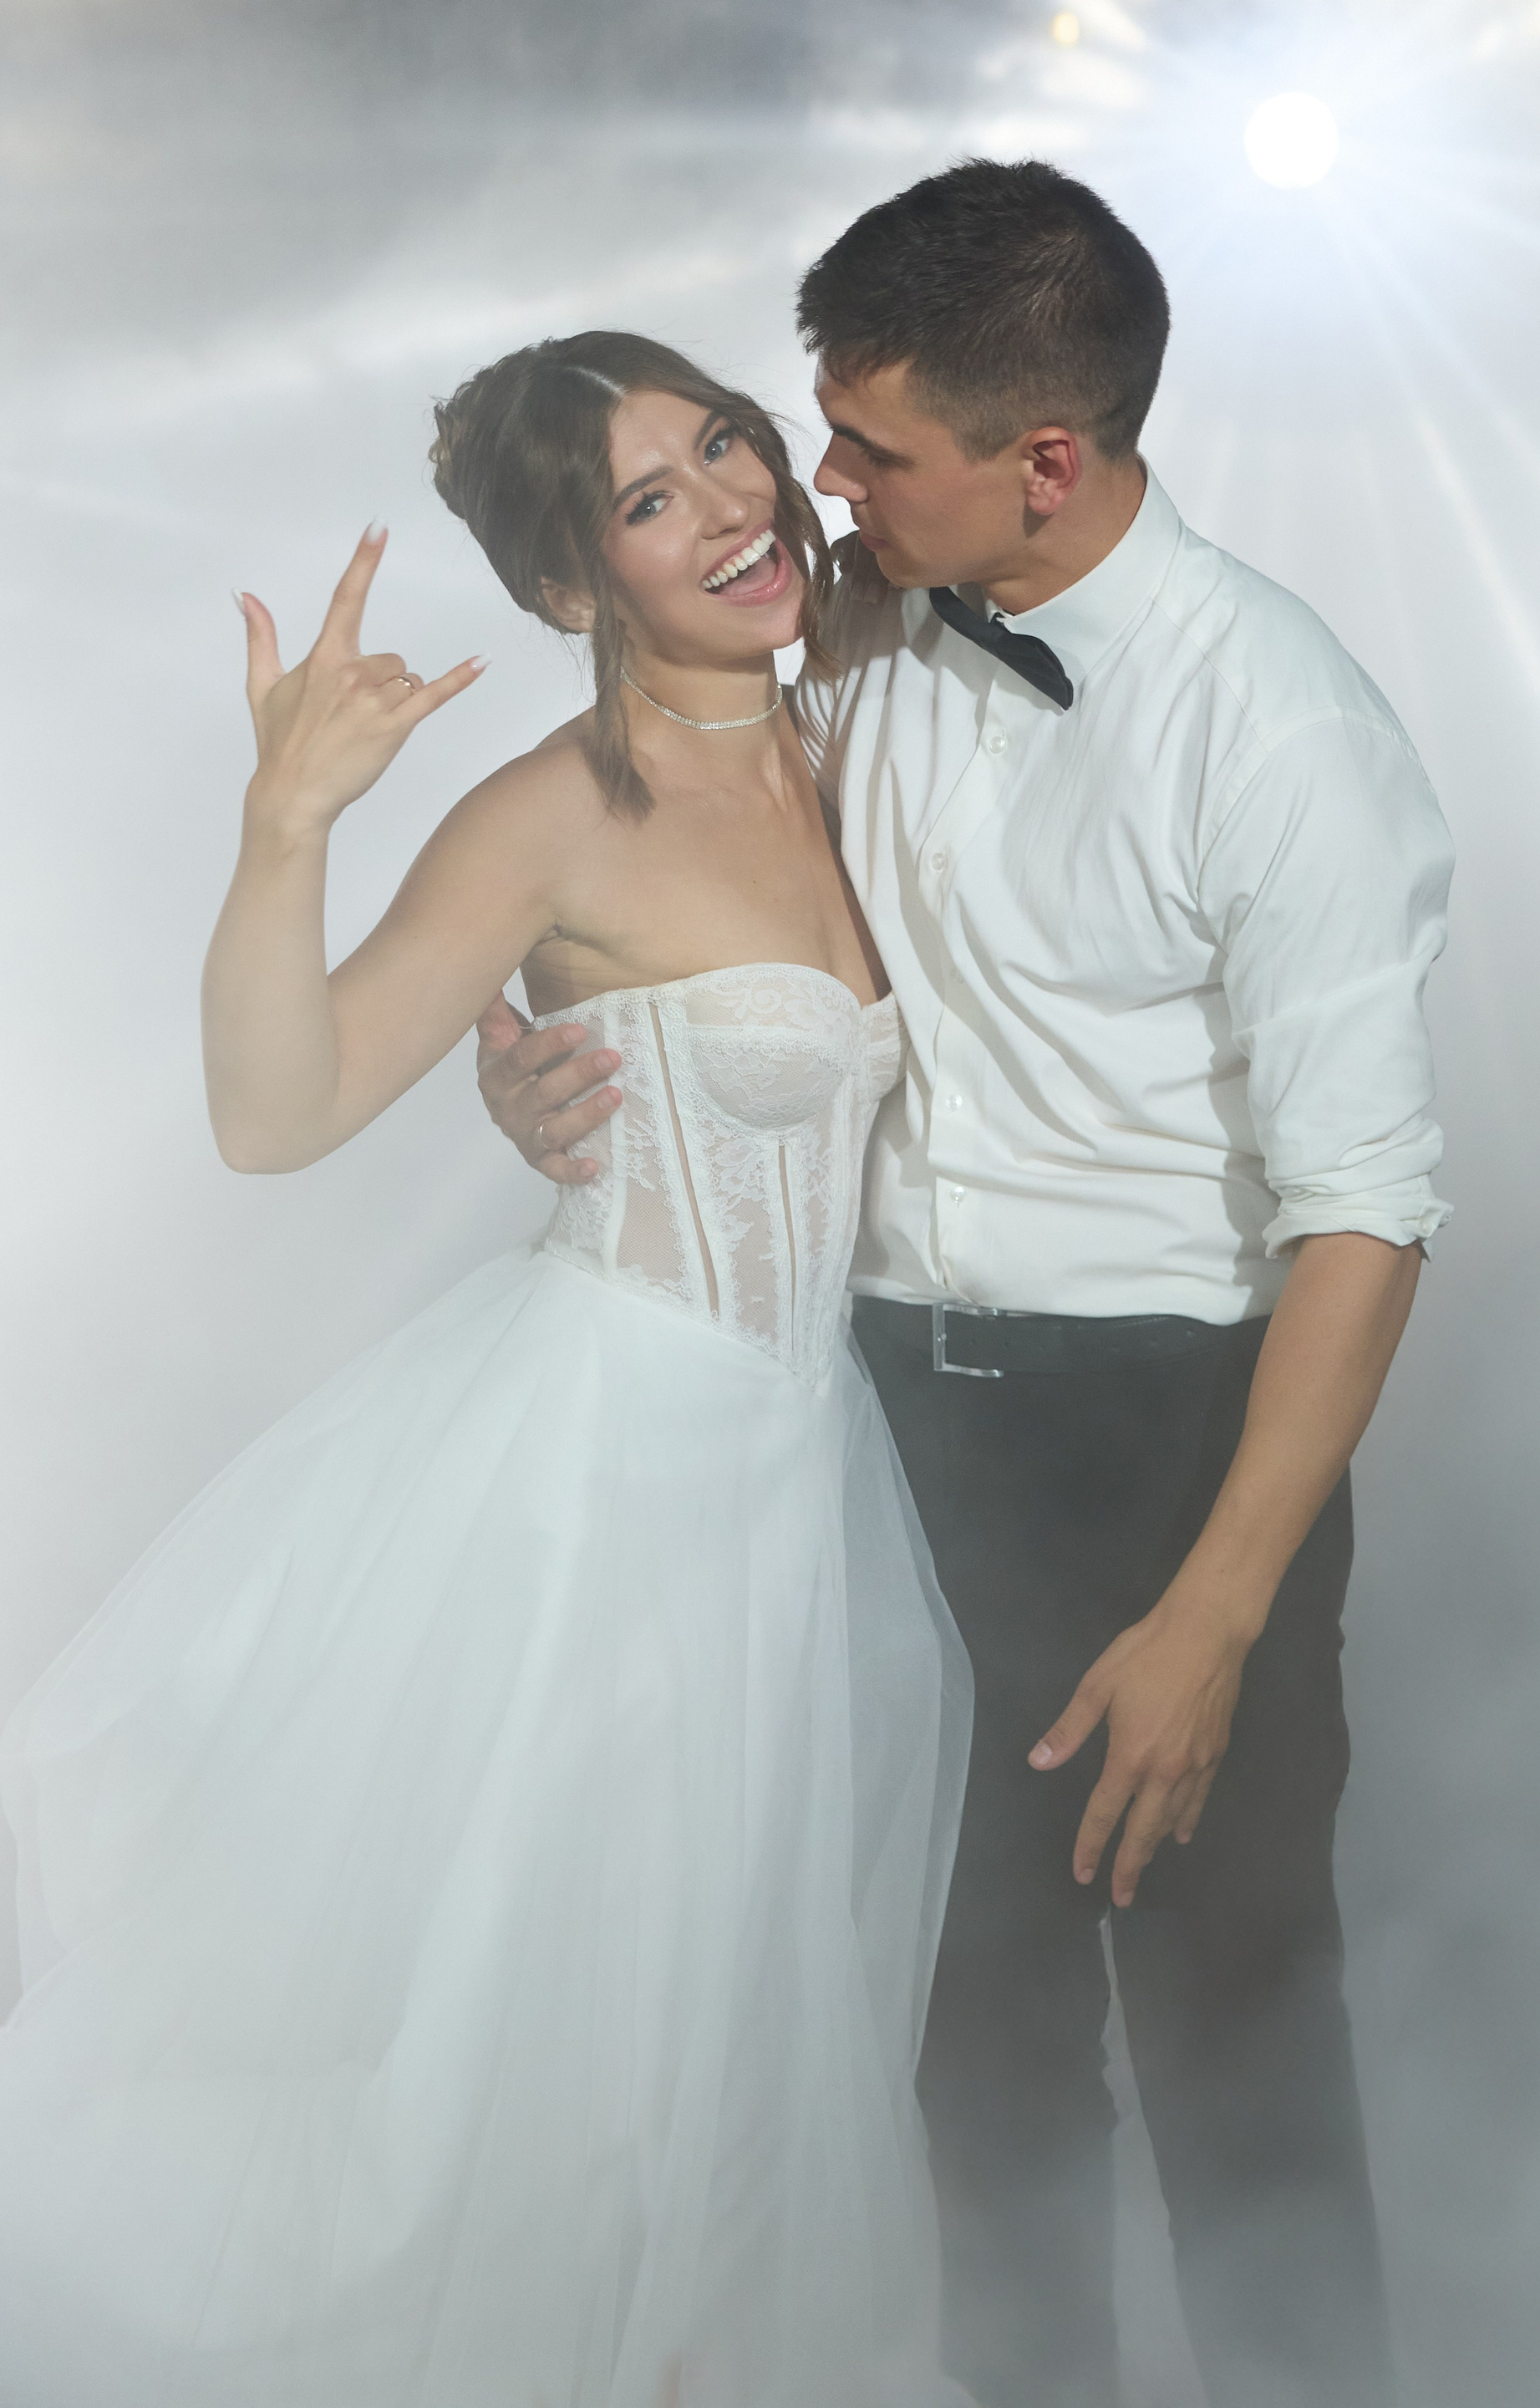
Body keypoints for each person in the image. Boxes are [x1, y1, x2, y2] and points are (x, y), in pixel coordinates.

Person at [480, 163, 1455, 2408]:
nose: (816, 484)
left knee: (1237, 2050)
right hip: (881, 1430)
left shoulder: (1279, 728)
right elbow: (672, 867)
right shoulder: (862, 624)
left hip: (1172, 1445)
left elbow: (1368, 1214)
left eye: (868, 445)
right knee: (968, 2063)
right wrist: (539, 1053)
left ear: (1046, 459)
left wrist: (1212, 1616)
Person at [0, 333, 975, 2408]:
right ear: (564, 585)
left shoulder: (860, 726)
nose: (730, 505)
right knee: (553, 2088)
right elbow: (277, 1113)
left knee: (737, 2079)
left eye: (724, 445)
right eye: (650, 499)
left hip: (804, 1470)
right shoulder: (549, 814)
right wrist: (286, 824)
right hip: (604, 1494)